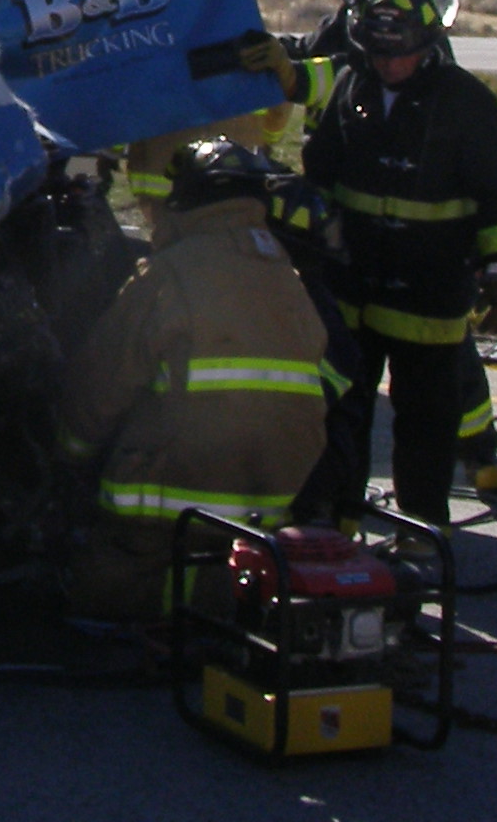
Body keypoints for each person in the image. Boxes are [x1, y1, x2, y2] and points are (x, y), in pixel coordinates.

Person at [58, 139, 342, 620]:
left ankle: (196, 598)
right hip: (271, 504)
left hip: (170, 509)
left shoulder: (169, 274)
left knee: (84, 583)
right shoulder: (286, 276)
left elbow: (99, 386)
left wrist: (66, 457)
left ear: (184, 199)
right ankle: (240, 590)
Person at [300, 0, 497, 525]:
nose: (389, 65)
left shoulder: (466, 104)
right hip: (353, 290)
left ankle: (422, 529)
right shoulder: (351, 88)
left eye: (399, 54)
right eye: (378, 53)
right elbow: (322, 174)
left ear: (427, 46)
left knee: (426, 424)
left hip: (431, 295)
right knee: (343, 418)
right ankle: (342, 523)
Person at [118, 0, 415, 214]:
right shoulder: (351, 18)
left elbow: (350, 74)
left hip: (380, 180)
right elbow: (308, 48)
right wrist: (256, 45)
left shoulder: (413, 33)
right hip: (336, 173)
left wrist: (289, 71)